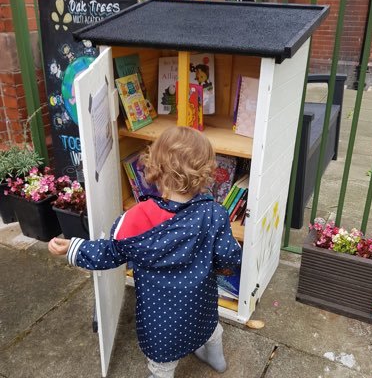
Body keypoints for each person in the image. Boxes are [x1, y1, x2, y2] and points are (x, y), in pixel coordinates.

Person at [48, 126, 242, 378]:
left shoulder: (137, 219)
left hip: (159, 314)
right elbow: (229, 256)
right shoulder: (214, 213)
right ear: (205, 173)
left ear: (156, 170)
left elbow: (110, 252)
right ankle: (216, 359)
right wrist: (221, 266)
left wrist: (75, 247)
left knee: (162, 359)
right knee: (210, 328)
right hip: (200, 302)